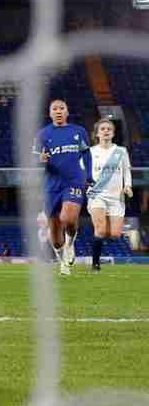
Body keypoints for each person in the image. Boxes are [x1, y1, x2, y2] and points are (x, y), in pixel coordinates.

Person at [33, 99, 90, 276]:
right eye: (54, 109)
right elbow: (35, 159)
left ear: (67, 111)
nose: (58, 111)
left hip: (74, 180)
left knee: (68, 217)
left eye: (61, 108)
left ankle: (70, 244)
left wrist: (89, 175)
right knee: (56, 237)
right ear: (50, 113)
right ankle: (61, 257)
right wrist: (39, 160)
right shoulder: (42, 134)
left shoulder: (79, 131)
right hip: (52, 184)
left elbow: (86, 155)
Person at [85, 118, 131, 272]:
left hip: (116, 197)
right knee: (101, 230)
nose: (106, 131)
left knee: (115, 234)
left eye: (108, 129)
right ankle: (95, 264)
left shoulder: (121, 151)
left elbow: (126, 171)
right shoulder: (90, 152)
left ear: (113, 133)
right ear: (97, 133)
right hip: (97, 194)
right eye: (102, 129)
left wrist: (128, 186)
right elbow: (82, 172)